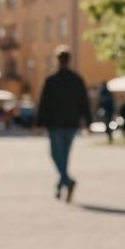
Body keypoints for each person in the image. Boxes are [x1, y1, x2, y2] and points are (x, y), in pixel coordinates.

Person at [36, 46, 92, 202]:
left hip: (55, 124)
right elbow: (84, 103)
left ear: (57, 60)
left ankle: (66, 181)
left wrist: (39, 123)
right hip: (71, 123)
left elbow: (43, 103)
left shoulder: (51, 80)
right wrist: (88, 122)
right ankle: (63, 184)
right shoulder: (76, 80)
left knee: (56, 156)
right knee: (64, 157)